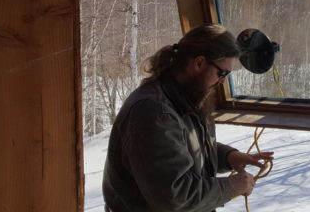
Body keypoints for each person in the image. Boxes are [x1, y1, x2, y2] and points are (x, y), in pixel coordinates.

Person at [103, 24, 274, 212]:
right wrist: (230, 187)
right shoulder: (153, 112)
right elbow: (175, 196)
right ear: (199, 63)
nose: (222, 82)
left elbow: (184, 146)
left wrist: (229, 157)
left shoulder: (184, 97)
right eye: (222, 73)